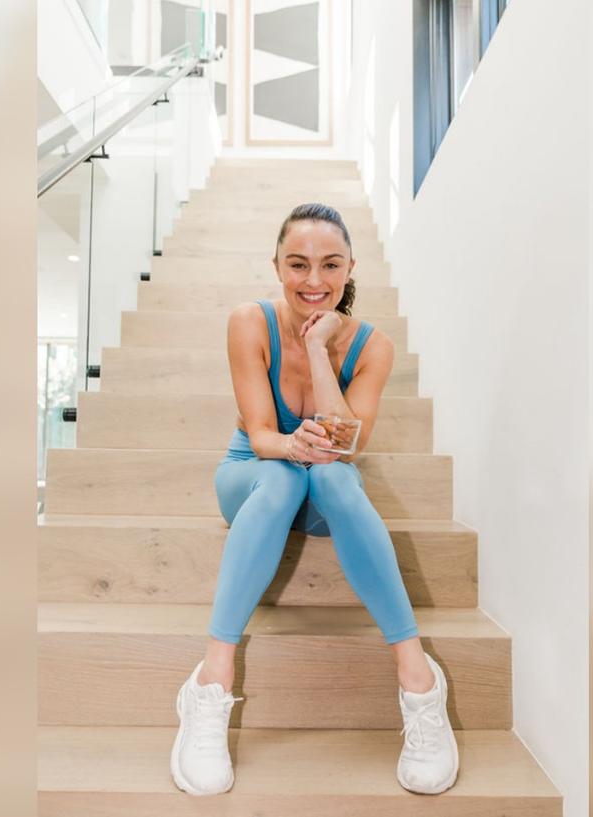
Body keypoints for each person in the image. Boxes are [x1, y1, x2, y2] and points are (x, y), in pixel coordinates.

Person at [169, 203, 459, 796]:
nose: (313, 280)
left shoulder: (373, 347)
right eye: (298, 264)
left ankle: (419, 679)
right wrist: (292, 445)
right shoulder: (249, 322)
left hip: (325, 485)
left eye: (330, 265)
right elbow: (259, 434)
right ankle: (211, 681)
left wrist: (322, 349)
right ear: (277, 265)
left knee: (332, 478)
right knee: (283, 477)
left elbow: (347, 445)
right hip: (253, 475)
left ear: (350, 268)